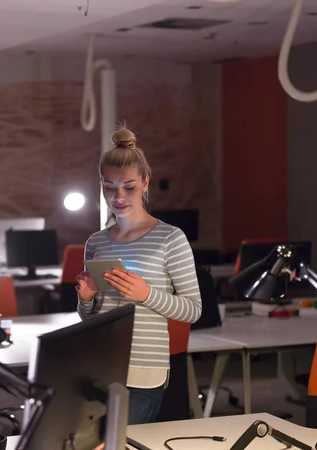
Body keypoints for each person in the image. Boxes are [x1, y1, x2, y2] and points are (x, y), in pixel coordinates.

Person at [76, 126, 202, 425]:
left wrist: (146, 294)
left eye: (129, 186)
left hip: (144, 375)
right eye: (109, 187)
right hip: (100, 370)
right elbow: (91, 320)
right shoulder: (96, 242)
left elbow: (193, 310)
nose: (118, 197)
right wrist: (86, 300)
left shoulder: (170, 238)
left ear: (146, 183)